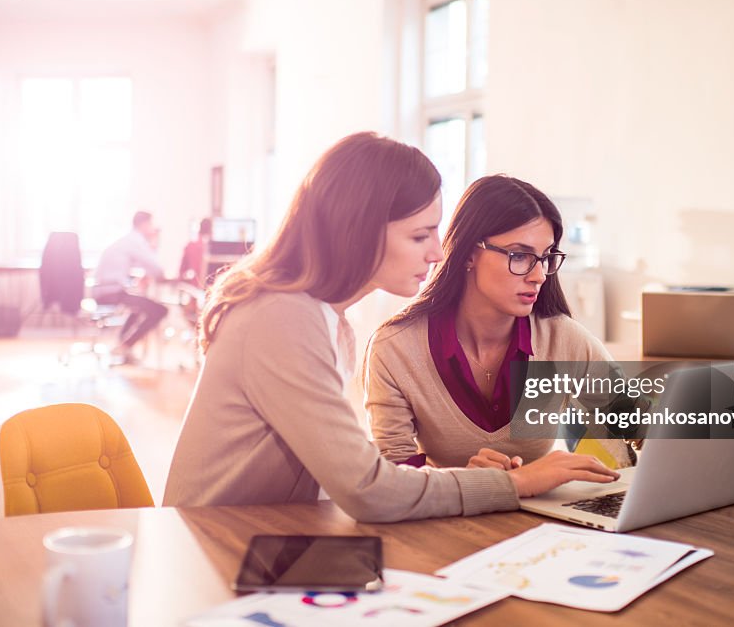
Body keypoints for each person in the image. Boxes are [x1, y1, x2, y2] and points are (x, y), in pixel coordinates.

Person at [163, 132, 619, 523]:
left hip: (272, 532)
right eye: (420, 235)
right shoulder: (283, 317)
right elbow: (369, 487)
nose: (438, 253)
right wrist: (514, 483)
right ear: (357, 230)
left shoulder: (326, 320)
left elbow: (354, 475)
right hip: (216, 545)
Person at [365, 175, 635, 471]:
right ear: (468, 253)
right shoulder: (395, 348)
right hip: (445, 517)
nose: (539, 275)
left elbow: (635, 417)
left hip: (540, 514)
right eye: (520, 255)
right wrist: (468, 481)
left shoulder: (562, 340)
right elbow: (393, 474)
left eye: (545, 258)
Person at [93, 211, 169, 362]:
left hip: (104, 289)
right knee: (160, 310)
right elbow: (156, 269)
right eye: (151, 225)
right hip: (111, 291)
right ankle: (125, 346)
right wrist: (155, 242)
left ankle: (123, 346)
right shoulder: (136, 241)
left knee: (139, 307)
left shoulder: (127, 240)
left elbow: (134, 266)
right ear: (144, 224)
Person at [179, 217, 212, 288]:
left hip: (195, 289)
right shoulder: (213, 246)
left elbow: (181, 272)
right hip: (213, 290)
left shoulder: (190, 245)